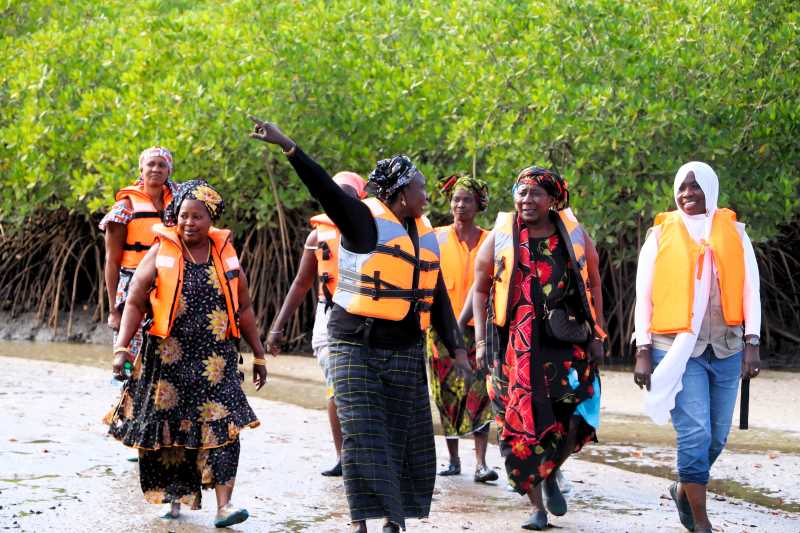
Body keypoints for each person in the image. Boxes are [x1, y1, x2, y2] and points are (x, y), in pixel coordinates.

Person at [249, 117, 470, 533]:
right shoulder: (362, 220)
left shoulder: (423, 234)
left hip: (405, 346)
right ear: (402, 194)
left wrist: (457, 349)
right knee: (362, 431)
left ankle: (394, 518)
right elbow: (324, 190)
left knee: (402, 436)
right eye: (421, 187)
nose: (427, 194)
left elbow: (436, 294)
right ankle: (360, 521)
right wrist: (289, 147)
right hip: (355, 343)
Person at [107, 180, 268, 528]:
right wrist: (122, 348)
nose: (189, 223)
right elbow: (134, 301)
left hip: (216, 362)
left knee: (226, 429)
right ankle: (174, 498)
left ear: (210, 220)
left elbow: (245, 308)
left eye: (197, 217)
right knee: (169, 433)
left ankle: (224, 507)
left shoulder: (225, 255)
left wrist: (259, 354)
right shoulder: (161, 251)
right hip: (168, 361)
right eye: (183, 216)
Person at [472, 166, 605, 531]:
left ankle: (551, 470)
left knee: (573, 417)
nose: (526, 201)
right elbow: (481, 287)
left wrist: (597, 334)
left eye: (535, 194)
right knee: (518, 424)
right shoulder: (501, 236)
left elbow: (593, 282)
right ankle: (537, 508)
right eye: (521, 193)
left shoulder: (574, 236)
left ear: (553, 199)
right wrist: (482, 341)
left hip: (562, 342)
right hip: (512, 346)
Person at [633, 162, 761, 533]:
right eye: (683, 187)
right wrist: (642, 351)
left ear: (711, 190)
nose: (688, 194)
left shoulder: (735, 233)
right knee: (695, 433)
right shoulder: (659, 235)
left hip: (727, 346)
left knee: (717, 436)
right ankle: (701, 522)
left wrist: (752, 343)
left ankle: (682, 488)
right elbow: (643, 297)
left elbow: (752, 290)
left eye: (697, 187)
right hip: (674, 348)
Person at [266, 171, 367, 477]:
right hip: (328, 316)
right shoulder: (316, 236)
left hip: (365, 316)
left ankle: (365, 454)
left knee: (361, 389)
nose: (340, 199)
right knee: (336, 388)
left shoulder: (372, 230)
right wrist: (277, 327)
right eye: (335, 193)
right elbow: (300, 283)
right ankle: (344, 456)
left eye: (348, 193)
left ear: (360, 198)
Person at [427, 175, 497, 483]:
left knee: (480, 395)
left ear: (478, 205)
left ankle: (481, 463)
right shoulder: (436, 237)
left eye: (467, 200)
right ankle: (453, 459)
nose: (459, 205)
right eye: (456, 199)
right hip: (440, 330)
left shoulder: (490, 239)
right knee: (446, 394)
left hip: (478, 330)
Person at [100, 147, 178, 372]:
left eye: (161, 165)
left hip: (168, 284)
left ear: (169, 171)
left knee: (166, 356)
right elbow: (111, 262)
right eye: (151, 164)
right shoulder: (124, 207)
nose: (156, 169)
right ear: (141, 169)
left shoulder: (179, 202)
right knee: (127, 358)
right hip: (132, 286)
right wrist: (114, 310)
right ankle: (124, 401)